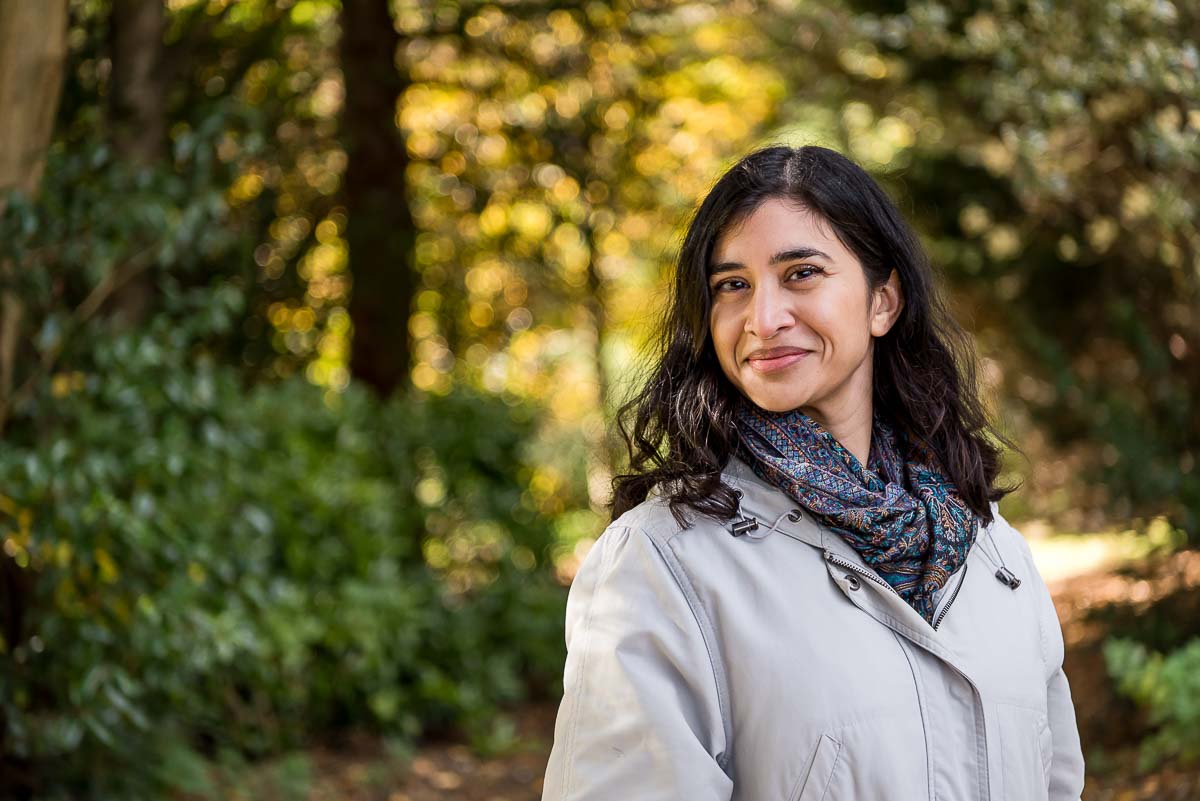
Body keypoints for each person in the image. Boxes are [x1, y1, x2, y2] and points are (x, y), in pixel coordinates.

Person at [539, 144, 1085, 801]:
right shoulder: (660, 563)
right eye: (732, 285)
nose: (764, 319)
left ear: (883, 301)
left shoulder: (992, 551)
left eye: (801, 273)